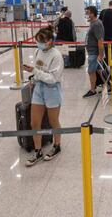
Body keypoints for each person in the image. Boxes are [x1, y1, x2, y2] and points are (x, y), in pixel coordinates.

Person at [23, 25, 64, 167]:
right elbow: (38, 71)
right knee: (34, 123)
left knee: (53, 121)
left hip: (52, 90)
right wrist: (32, 77)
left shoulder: (56, 56)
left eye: (41, 41)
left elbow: (53, 78)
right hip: (39, 88)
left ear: (49, 41)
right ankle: (38, 150)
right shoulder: (37, 52)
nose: (38, 43)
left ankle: (57, 145)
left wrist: (35, 71)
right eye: (37, 41)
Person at [83, 6, 104, 98]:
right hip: (92, 52)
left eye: (88, 12)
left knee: (91, 71)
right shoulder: (93, 23)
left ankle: (92, 90)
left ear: (93, 13)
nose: (87, 14)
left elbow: (100, 40)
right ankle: (107, 86)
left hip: (94, 53)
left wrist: (100, 54)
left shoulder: (96, 24)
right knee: (99, 70)